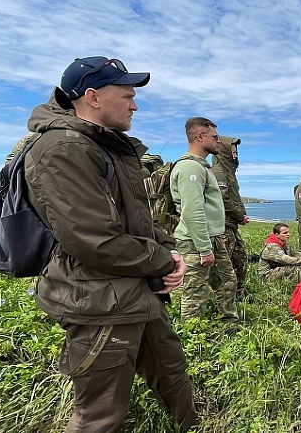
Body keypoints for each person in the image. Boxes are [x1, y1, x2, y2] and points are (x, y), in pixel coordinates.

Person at [24, 56, 197, 431]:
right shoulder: (62, 149)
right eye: (127, 96)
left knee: (172, 372)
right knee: (101, 414)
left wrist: (169, 249)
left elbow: (138, 220)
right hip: (99, 300)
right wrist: (164, 261)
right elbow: (96, 241)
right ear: (93, 97)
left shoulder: (106, 146)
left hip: (134, 292)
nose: (135, 106)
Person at [171, 117, 239, 322]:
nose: (218, 141)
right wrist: (204, 249)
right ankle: (192, 334)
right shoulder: (190, 168)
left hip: (211, 238)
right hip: (196, 241)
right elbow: (192, 211)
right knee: (195, 292)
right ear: (200, 137)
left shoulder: (201, 167)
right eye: (215, 137)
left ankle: (228, 324)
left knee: (227, 281)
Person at [211, 135, 250, 301]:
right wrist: (239, 216)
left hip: (231, 225)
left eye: (236, 151)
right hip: (223, 226)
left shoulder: (228, 171)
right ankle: (222, 301)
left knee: (240, 261)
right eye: (232, 150)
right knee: (224, 267)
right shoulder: (218, 171)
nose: (235, 154)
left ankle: (237, 297)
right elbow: (223, 198)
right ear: (224, 150)